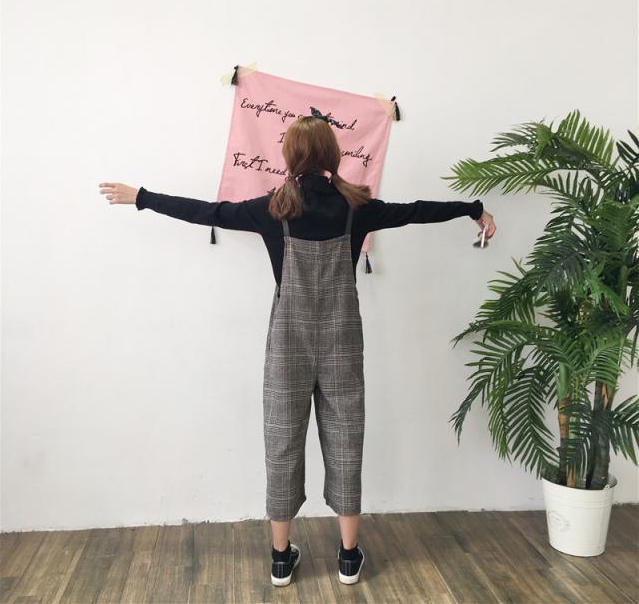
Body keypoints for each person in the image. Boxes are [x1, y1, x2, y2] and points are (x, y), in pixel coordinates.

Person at [98, 111, 496, 588]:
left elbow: (209, 211)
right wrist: (473, 208)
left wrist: (141, 197)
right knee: (346, 439)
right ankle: (348, 556)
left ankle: (281, 558)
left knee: (282, 442)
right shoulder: (357, 207)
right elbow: (416, 211)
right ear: (330, 155)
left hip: (288, 345)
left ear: (290, 156)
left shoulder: (272, 208)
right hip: (342, 341)